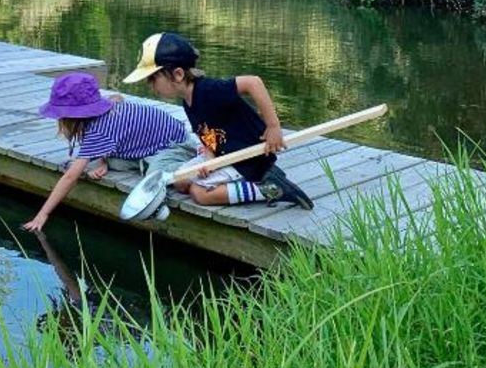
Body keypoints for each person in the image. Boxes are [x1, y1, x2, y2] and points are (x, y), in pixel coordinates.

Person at [122, 32, 314, 210]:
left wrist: (273, 126)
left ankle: (270, 188)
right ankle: (257, 178)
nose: (150, 86)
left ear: (178, 74)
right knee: (180, 181)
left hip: (246, 157)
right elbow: (209, 137)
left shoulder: (209, 90)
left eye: (153, 78)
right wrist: (209, 160)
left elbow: (253, 82)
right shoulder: (188, 102)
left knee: (200, 194)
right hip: (224, 156)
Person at [22, 71, 193, 231]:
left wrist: (42, 214)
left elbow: (70, 177)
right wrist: (104, 159)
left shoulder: (99, 130)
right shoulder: (105, 109)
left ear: (70, 118)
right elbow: (117, 97)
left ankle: (193, 170)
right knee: (108, 163)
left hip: (175, 145)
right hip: (145, 149)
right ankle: (112, 160)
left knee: (153, 178)